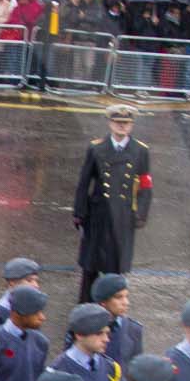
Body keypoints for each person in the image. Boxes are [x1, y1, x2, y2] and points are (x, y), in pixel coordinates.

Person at [71, 103, 153, 303]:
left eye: (125, 123)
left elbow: (145, 184)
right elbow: (84, 182)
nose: (121, 127)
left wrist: (141, 213)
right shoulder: (97, 148)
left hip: (124, 216)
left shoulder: (140, 151)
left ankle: (112, 314)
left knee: (115, 270)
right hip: (98, 215)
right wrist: (79, 211)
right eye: (118, 122)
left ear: (131, 126)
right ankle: (84, 312)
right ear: (110, 124)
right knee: (90, 268)